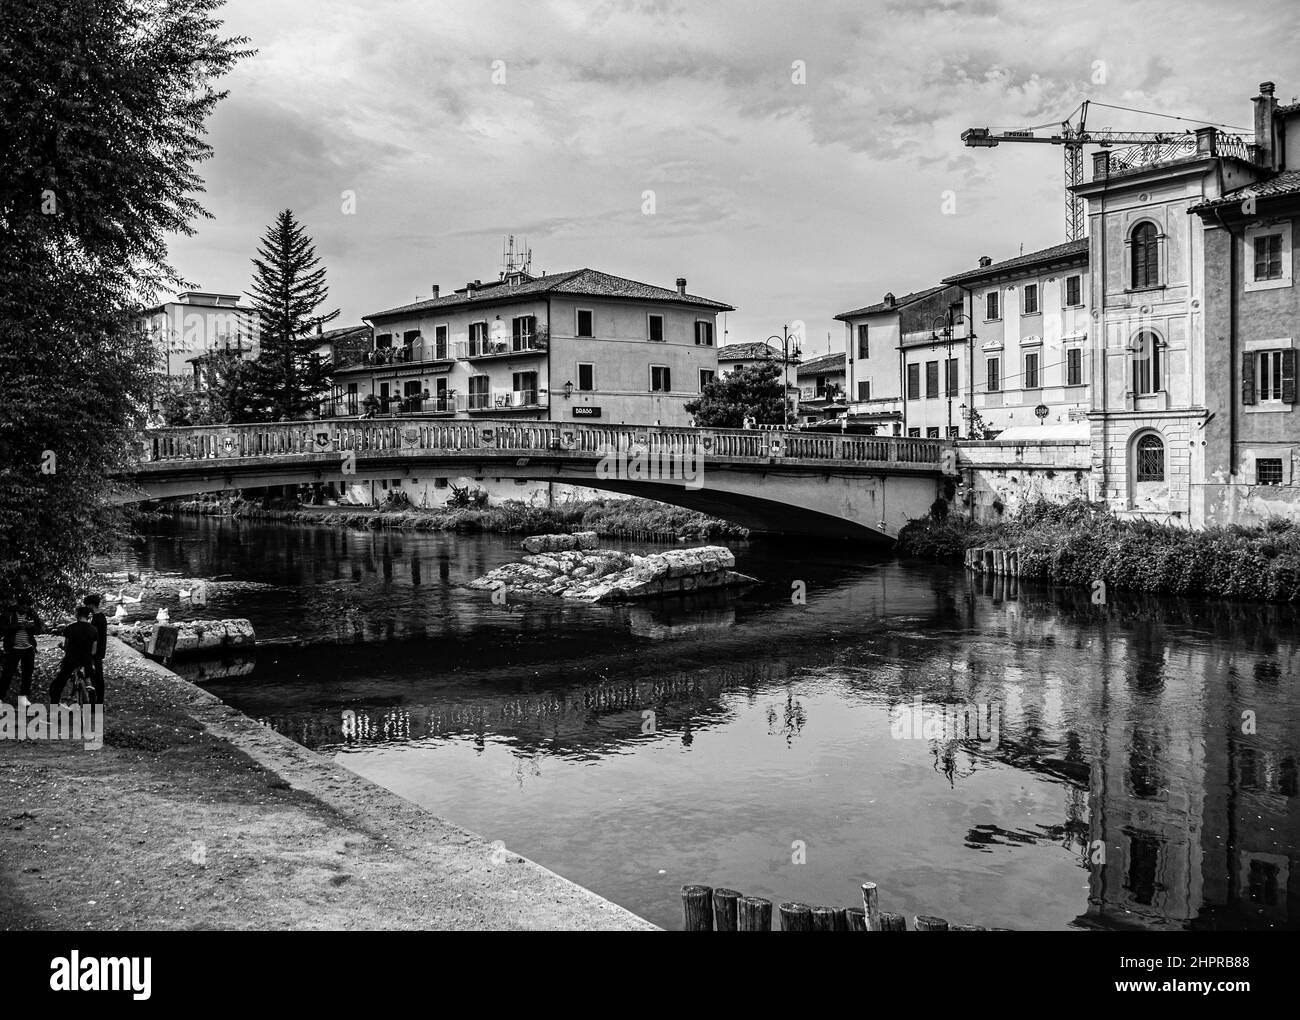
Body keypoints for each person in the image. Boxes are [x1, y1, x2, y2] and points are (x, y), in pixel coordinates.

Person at [49, 605, 98, 704]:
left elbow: (67, 647)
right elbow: (93, 651)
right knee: (90, 682)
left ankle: (54, 704)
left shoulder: (70, 628)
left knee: (59, 683)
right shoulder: (93, 629)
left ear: (77, 615)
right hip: (87, 660)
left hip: (71, 660)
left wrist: (63, 648)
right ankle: (93, 703)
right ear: (88, 616)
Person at [2, 595, 44, 705]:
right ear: (18, 605)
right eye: (23, 605)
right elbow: (2, 629)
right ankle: (0, 697)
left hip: (28, 648)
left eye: (28, 605)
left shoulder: (32, 614)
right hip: (13, 649)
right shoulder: (9, 614)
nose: (25, 607)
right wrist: (17, 626)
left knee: (27, 673)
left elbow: (39, 629)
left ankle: (23, 698)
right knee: (8, 673)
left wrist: (31, 627)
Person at [83, 594, 108, 705]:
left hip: (96, 652)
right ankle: (98, 702)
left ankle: (98, 702)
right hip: (99, 651)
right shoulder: (100, 617)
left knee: (96, 677)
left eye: (87, 605)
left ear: (91, 605)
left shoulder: (97, 619)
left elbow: (95, 638)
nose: (86, 607)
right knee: (97, 677)